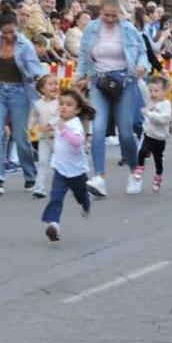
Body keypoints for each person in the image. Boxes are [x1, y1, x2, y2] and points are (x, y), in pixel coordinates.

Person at [75, 0, 150, 197]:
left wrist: (142, 66)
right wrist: (79, 75)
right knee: (98, 129)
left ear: (119, 13)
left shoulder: (128, 29)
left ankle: (135, 172)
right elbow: (83, 55)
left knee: (125, 131)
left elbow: (143, 52)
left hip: (125, 81)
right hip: (99, 82)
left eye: (113, 16)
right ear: (100, 12)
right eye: (106, 15)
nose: (109, 19)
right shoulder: (92, 28)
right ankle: (99, 177)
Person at [0, 10, 44, 195]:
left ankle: (30, 175)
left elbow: (35, 68)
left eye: (12, 32)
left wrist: (42, 83)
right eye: (4, 32)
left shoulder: (26, 45)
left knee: (21, 137)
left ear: (17, 29)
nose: (8, 36)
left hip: (19, 93)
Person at [40, 89, 94, 243]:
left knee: (81, 195)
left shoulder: (75, 125)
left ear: (77, 110)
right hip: (60, 169)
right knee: (56, 197)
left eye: (69, 105)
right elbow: (49, 125)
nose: (64, 107)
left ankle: (86, 203)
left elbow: (78, 143)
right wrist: (47, 127)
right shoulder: (59, 120)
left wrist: (64, 131)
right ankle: (54, 225)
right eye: (61, 104)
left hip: (76, 170)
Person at [134, 76, 172, 193]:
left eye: (156, 91)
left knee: (158, 159)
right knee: (142, 151)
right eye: (151, 91)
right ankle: (140, 167)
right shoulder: (150, 102)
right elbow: (142, 88)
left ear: (164, 91)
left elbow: (163, 119)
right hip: (149, 134)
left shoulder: (166, 105)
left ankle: (158, 177)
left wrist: (148, 114)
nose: (153, 93)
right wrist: (139, 78)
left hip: (160, 138)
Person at [28, 74, 59, 198]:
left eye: (56, 84)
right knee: (42, 161)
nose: (54, 86)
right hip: (44, 138)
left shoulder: (60, 102)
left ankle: (73, 183)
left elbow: (60, 116)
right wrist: (31, 129)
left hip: (59, 138)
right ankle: (40, 186)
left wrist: (51, 124)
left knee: (62, 162)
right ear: (42, 89)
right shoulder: (38, 104)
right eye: (50, 84)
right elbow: (33, 117)